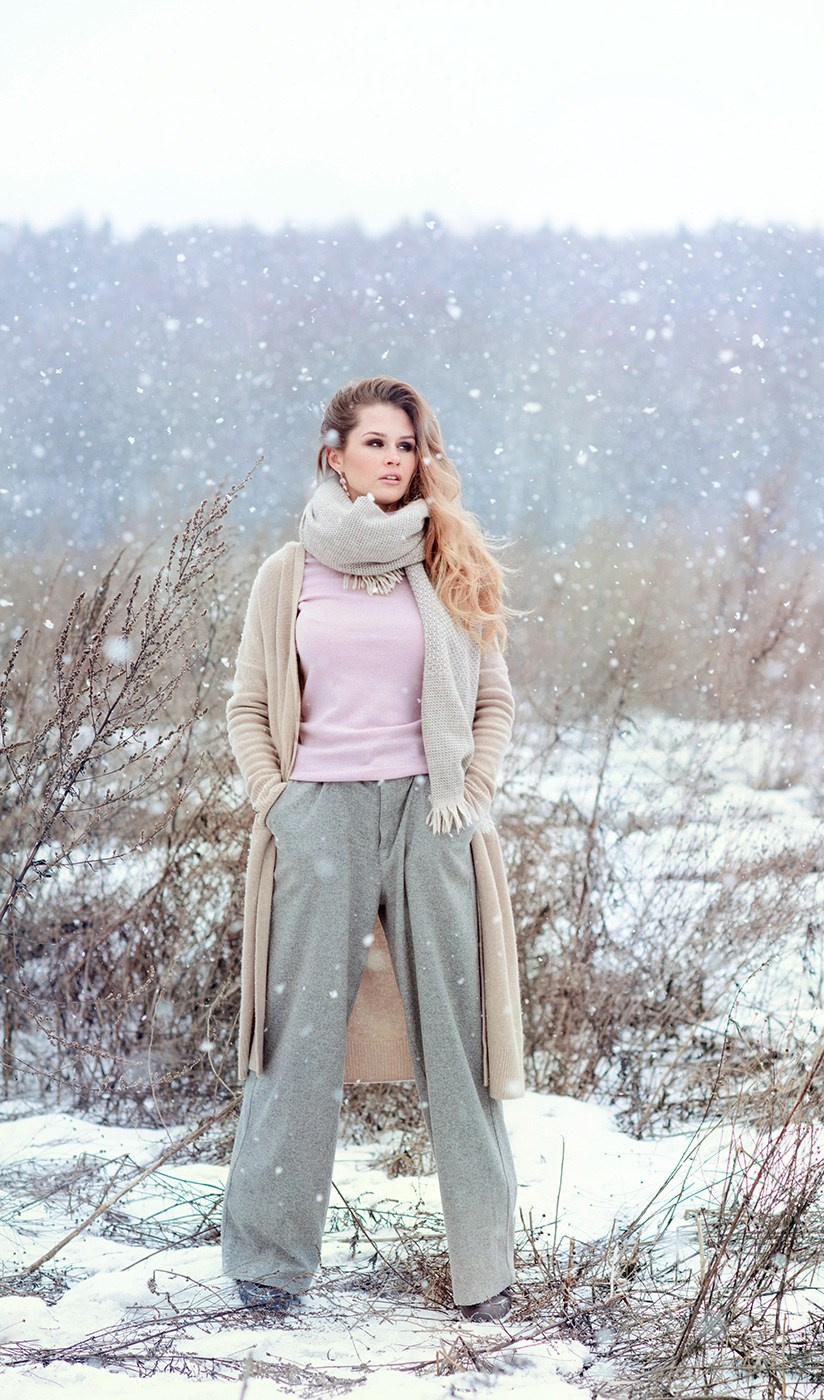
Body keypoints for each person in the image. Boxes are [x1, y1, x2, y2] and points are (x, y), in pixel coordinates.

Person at [221, 376, 524, 1322]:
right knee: (296, 1042)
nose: (395, 461)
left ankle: (484, 1271)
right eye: (378, 444)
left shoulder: (448, 563)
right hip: (318, 819)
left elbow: (493, 703)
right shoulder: (287, 573)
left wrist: (468, 800)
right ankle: (269, 1268)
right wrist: (281, 804)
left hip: (432, 821)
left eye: (408, 447)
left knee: (460, 1040)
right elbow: (247, 705)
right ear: (334, 454)